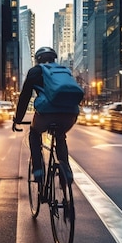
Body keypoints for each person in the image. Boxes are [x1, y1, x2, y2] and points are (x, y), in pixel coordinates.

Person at [12, 47, 79, 184]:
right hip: (70, 114)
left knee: (34, 134)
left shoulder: (36, 71)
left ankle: (38, 170)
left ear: (38, 60)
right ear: (54, 58)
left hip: (47, 113)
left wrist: (18, 119)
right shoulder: (65, 71)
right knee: (60, 137)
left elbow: (25, 97)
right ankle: (65, 170)